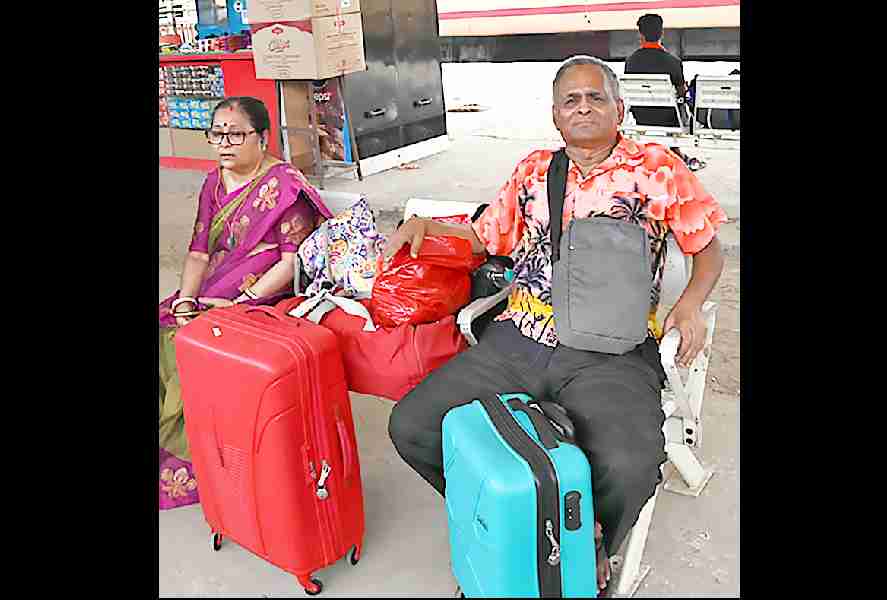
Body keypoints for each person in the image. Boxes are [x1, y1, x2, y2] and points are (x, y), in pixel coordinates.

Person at [385, 56, 727, 592]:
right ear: (555, 114)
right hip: (520, 337)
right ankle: (518, 521)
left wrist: (690, 303)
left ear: (620, 107)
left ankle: (587, 543)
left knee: (629, 462)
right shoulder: (532, 171)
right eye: (572, 99)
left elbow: (707, 247)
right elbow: (485, 237)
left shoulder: (659, 169)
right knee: (413, 426)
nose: (584, 107)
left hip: (612, 350)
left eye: (596, 97)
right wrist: (427, 226)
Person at [158, 96, 332, 510]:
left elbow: (293, 263)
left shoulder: (285, 186)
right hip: (217, 286)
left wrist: (240, 304)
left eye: (236, 133)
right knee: (169, 322)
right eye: (217, 134)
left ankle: (198, 459)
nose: (225, 143)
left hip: (269, 296)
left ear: (263, 137)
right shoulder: (214, 182)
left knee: (184, 343)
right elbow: (199, 251)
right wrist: (186, 299)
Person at [625, 13, 704, 170]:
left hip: (642, 116)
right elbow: (682, 93)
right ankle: (678, 156)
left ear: (640, 34)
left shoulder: (631, 61)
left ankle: (674, 155)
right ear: (662, 33)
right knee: (678, 105)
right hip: (668, 118)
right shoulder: (673, 61)